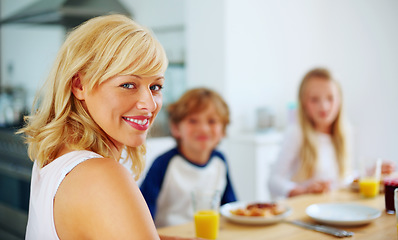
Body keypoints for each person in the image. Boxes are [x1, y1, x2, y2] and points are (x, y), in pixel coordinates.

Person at [18, 14, 195, 240]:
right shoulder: (101, 175)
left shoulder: (56, 159)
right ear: (79, 85)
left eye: (155, 86)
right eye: (128, 84)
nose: (149, 104)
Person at [268, 67, 394, 200]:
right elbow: (273, 181)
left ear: (339, 100)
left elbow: (343, 179)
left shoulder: (344, 132)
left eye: (330, 98)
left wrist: (370, 172)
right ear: (303, 103)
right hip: (304, 211)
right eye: (314, 100)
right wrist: (303, 191)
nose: (324, 106)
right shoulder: (296, 133)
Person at [140, 87, 237, 227]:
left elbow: (230, 207)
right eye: (193, 121)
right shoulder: (164, 163)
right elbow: (144, 211)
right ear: (176, 128)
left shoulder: (220, 161)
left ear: (223, 130)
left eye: (212, 121)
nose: (203, 128)